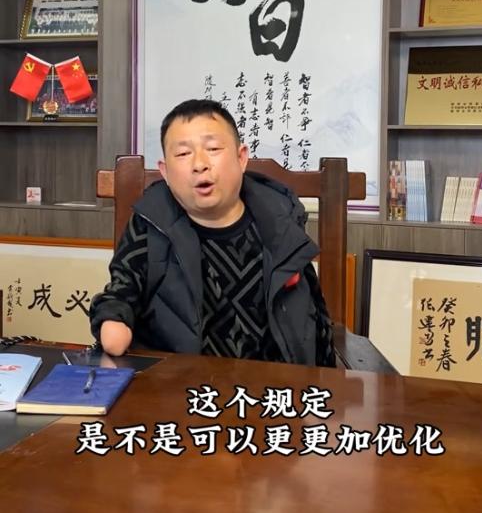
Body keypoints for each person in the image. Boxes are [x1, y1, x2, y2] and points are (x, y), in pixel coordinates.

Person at [89, 99, 335, 367]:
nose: (199, 164)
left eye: (213, 149)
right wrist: (113, 320)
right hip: (177, 383)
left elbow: (314, 317)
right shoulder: (150, 222)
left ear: (241, 158)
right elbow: (122, 290)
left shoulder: (280, 219)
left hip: (272, 383)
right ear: (165, 171)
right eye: (183, 154)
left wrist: (325, 380)